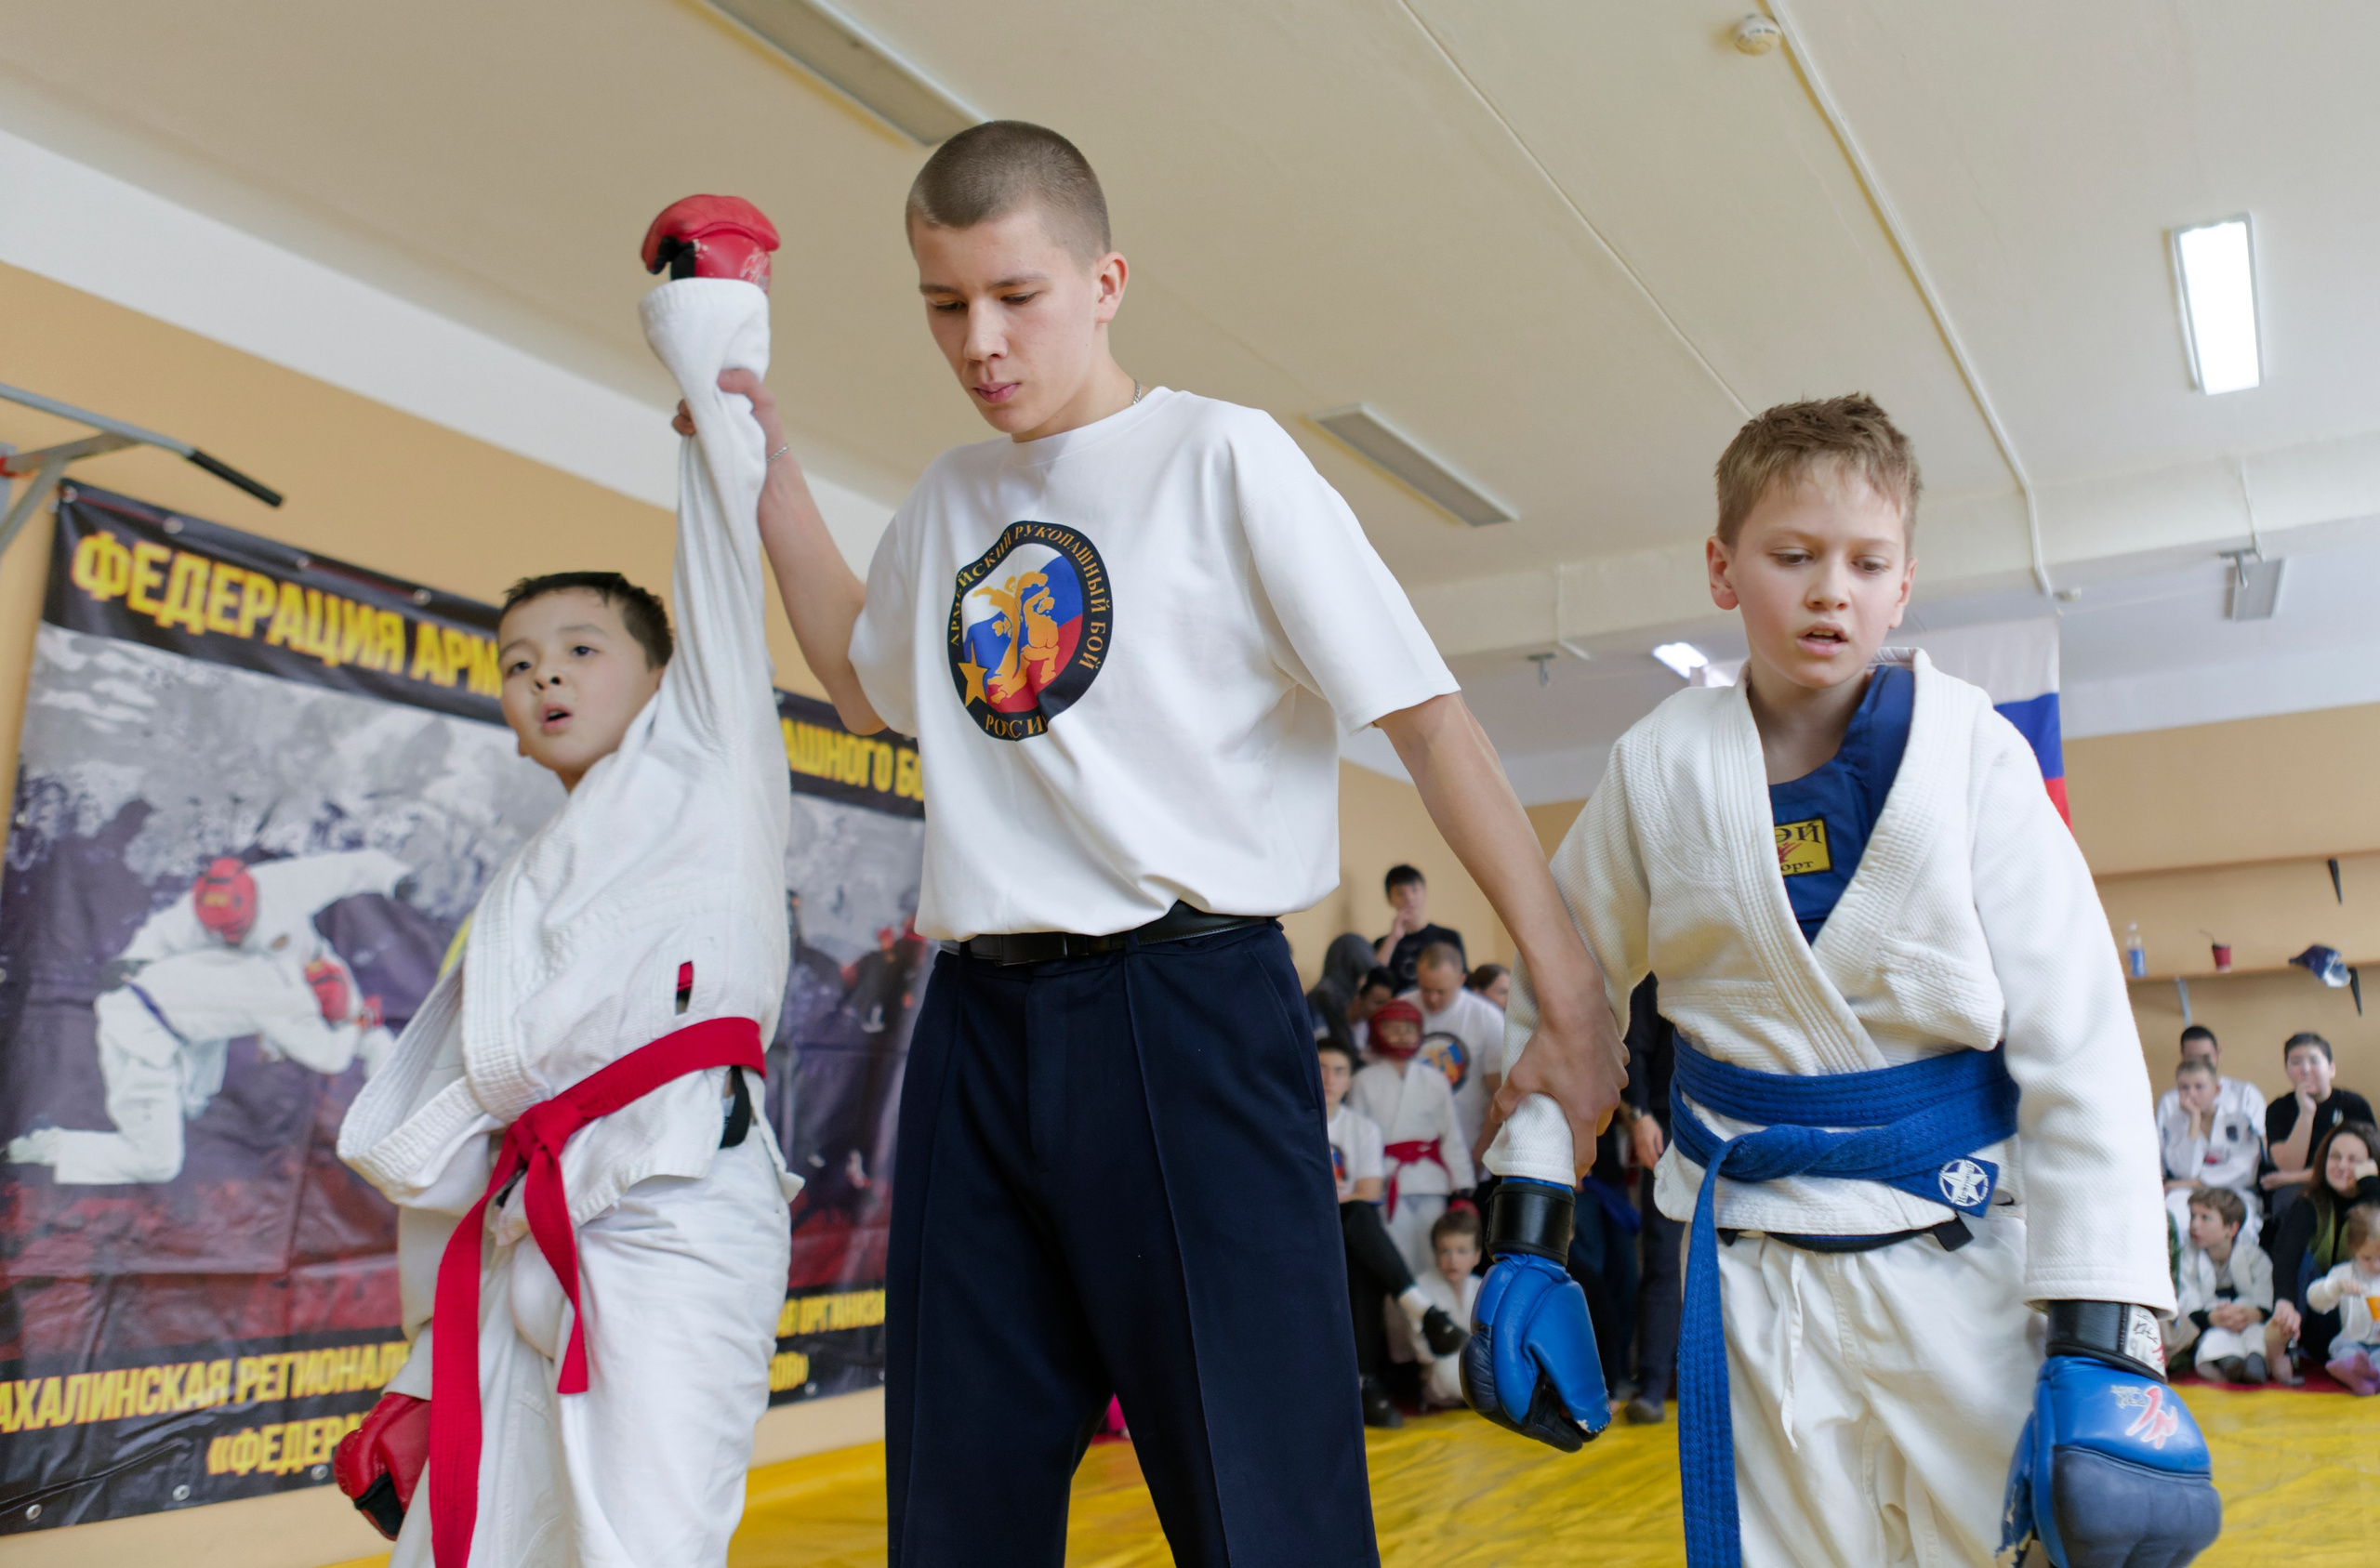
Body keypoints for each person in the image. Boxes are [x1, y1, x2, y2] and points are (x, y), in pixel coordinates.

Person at [727, 122, 1622, 1565]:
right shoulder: (952, 497)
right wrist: (764, 475)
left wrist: (1567, 991)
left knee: (1262, 1497)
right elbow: (861, 677)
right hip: (976, 1025)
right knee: (956, 1502)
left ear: (1107, 280)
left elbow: (1431, 719)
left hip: (1184, 1008)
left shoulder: (1221, 457)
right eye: (945, 304)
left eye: (1016, 295)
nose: (980, 339)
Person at [1477, 395, 2215, 1567]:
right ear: (1722, 570)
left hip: (1958, 1251)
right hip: (1752, 1269)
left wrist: (2103, 1330)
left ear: (1904, 585)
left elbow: (2076, 1038)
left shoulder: (1972, 755)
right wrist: (1527, 1223)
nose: (1832, 590)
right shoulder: (1659, 766)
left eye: (1867, 563)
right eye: (1793, 556)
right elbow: (1561, 993)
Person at [331, 199, 802, 1567]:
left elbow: (720, 540)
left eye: (580, 648)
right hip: (529, 1225)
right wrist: (424, 1361)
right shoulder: (526, 883)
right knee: (482, 1541)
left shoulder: (710, 754)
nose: (544, 675)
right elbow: (461, 1136)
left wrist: (708, 318)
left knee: (641, 1540)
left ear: (660, 674)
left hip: (670, 1208)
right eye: (519, 661)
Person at [9, 850, 408, 1184]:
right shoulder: (202, 930)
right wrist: (129, 960)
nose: (231, 939)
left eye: (237, 930)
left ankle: (394, 1102)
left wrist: (397, 879)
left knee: (199, 1100)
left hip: (180, 1009)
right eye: (223, 932)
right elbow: (331, 1057)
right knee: (159, 1163)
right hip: (141, 1033)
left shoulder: (287, 889)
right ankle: (42, 1144)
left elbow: (352, 867)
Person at [1319, 1037, 1461, 1428]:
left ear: (1350, 1080)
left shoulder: (1360, 1128)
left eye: (1339, 1070)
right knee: (1358, 1221)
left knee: (1360, 1241)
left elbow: (1370, 1191)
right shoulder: (1292, 1125)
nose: (1329, 1079)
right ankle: (1426, 1313)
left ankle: (1366, 1384)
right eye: (1321, 1068)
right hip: (1308, 1235)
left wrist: (1332, 1195)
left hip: (1345, 1230)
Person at [1354, 998, 1477, 1277]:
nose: (1401, 1035)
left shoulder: (1434, 1079)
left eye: (1409, 1028)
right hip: (1385, 1179)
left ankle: (1436, 1315)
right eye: (1393, 1028)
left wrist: (1463, 1185)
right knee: (1396, 1261)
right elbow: (1359, 1138)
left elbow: (1451, 1134)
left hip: (1430, 1178)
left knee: (1435, 1254)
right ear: (1377, 1032)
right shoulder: (1364, 1080)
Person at [2265, 1119, 2380, 1383]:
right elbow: (2286, 1255)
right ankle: (2286, 1347)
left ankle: (2363, 1370)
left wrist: (2372, 1185)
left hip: (2367, 1321)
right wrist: (2284, 1301)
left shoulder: (2374, 1201)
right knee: (2302, 1258)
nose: (2342, 1166)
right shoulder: (2310, 1202)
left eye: (2354, 1160)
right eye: (2335, 1157)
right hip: (2323, 1314)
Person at [1620, 975, 1681, 1427]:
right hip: (1667, 1124)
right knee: (1662, 1260)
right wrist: (1639, 1116)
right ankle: (1654, 1385)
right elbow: (1633, 1050)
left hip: (1738, 1122)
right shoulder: (1658, 965)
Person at [2164, 1188, 2279, 1385]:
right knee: (2213, 1337)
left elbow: (2265, 1298)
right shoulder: (2188, 1258)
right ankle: (2229, 1362)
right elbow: (2189, 1301)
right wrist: (2212, 1318)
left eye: (2205, 1218)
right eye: (2193, 1216)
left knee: (2257, 1334)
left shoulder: (2255, 1258)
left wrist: (2253, 1314)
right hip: (2212, 1322)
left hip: (2249, 1320)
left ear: (2231, 1229)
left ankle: (2255, 1362)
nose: (2194, 1225)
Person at [1407, 940, 1507, 1153]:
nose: (1433, 999)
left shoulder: (1487, 1018)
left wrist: (1481, 1151)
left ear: (1461, 980)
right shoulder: (1403, 1009)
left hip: (1466, 1142)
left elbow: (1497, 1093)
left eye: (1441, 991)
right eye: (1425, 989)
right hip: (1410, 1144)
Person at [2263, 1033, 2373, 1221]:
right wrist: (2306, 1113)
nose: (2305, 1069)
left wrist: (2292, 1178)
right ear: (2288, 1070)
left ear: (2331, 1069)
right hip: (2299, 1189)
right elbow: (2289, 1166)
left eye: (2314, 1061)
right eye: (2296, 1062)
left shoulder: (2354, 1104)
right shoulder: (2278, 1109)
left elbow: (2367, 1164)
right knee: (2291, 1203)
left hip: (2349, 1179)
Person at [1385, 1206, 1484, 1411]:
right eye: (1445, 1251)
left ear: (1477, 1256)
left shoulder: (1482, 1287)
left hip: (1477, 1365)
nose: (1452, 1260)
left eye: (1461, 1251)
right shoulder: (1421, 1289)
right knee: (1449, 1371)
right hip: (1441, 1376)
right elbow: (1424, 1352)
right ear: (1435, 1253)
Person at [2160, 1056, 2265, 1246]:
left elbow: (2244, 1170)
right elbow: (2184, 1171)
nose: (2191, 1094)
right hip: (2187, 1193)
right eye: (2184, 1087)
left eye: (2199, 1087)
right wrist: (2194, 1121)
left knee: (2240, 1224)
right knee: (2172, 1218)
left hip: (2232, 1191)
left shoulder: (2238, 1123)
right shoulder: (2173, 1125)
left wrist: (2197, 1182)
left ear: (2216, 1090)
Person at [2303, 1202, 2380, 1394]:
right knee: (2344, 1351)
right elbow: (2315, 1299)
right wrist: (2335, 1288)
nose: (2376, 1266)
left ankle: (2368, 1378)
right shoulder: (2344, 1274)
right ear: (2353, 1251)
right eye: (2367, 1258)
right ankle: (2354, 1371)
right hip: (2351, 1340)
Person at [2153, 1025, 2267, 1143]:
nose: (2200, 1065)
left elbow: (2260, 1146)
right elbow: (2159, 1151)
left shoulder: (2246, 1094)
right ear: (2182, 1056)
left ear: (2218, 1053)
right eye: (2192, 1059)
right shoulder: (2169, 1101)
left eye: (2206, 1058)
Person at [1375, 863, 1465, 990]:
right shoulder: (1383, 944)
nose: (1409, 898)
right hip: (1399, 1006)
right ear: (1390, 898)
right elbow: (1374, 981)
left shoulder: (1448, 937)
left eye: (1414, 890)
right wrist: (1393, 938)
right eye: (1400, 893)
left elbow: (1462, 979)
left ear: (1424, 891)